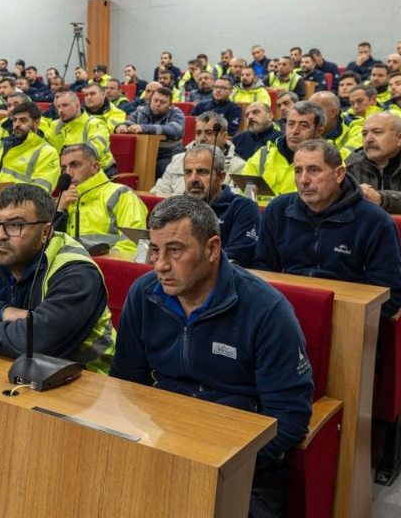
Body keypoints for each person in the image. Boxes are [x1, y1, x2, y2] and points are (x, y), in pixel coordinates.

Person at [111, 195, 311, 518]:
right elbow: (125, 384)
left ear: (213, 248)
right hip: (161, 446)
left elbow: (290, 417)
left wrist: (224, 465)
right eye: (155, 250)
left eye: (175, 250)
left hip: (243, 467)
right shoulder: (144, 293)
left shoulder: (266, 310)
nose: (160, 264)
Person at [0, 183, 114, 373]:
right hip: (8, 368)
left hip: (85, 380)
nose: (0, 235)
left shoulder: (76, 271)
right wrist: (1, 312)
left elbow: (34, 344)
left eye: (15, 225)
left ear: (45, 232)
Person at [252, 140, 401, 317]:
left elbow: (392, 294)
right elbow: (262, 269)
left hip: (347, 318)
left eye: (314, 170)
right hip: (284, 311)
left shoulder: (375, 220)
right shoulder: (277, 209)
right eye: (298, 171)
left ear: (339, 174)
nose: (303, 180)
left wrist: (346, 318)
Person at [55, 143, 148, 252]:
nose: (68, 173)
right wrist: (59, 211)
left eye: (75, 165)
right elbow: (49, 245)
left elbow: (132, 245)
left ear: (95, 167)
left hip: (108, 266)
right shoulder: (63, 200)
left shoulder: (122, 194)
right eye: (64, 168)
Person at [182, 145, 259, 266]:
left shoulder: (242, 208)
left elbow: (237, 257)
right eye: (188, 172)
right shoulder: (175, 207)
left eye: (202, 172)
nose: (193, 179)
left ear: (221, 177)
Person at [239, 100, 325, 206]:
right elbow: (246, 202)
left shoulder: (328, 161)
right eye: (291, 124)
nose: (294, 131)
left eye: (303, 125)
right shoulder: (262, 155)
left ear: (318, 132)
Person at [155, 112, 246, 195]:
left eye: (209, 133)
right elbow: (159, 191)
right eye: (198, 133)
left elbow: (230, 201)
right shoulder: (178, 159)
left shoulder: (239, 166)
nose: (202, 138)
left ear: (224, 136)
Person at [0, 102, 60, 191]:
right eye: (14, 120)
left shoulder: (48, 153)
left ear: (36, 123)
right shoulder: (1, 145)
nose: (17, 124)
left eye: (23, 120)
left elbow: (40, 194)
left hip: (21, 203)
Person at [116, 85, 186, 177]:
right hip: (142, 153)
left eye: (162, 102)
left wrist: (144, 128)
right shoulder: (141, 110)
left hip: (168, 155)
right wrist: (122, 126)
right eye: (155, 100)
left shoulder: (176, 113)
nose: (157, 104)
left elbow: (173, 130)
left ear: (170, 105)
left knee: (160, 168)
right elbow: (129, 122)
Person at [46, 90, 115, 174]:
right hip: (67, 172)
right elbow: (46, 149)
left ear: (77, 106)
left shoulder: (95, 123)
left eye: (65, 105)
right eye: (58, 107)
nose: (60, 110)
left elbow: (94, 151)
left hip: (98, 173)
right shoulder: (55, 125)